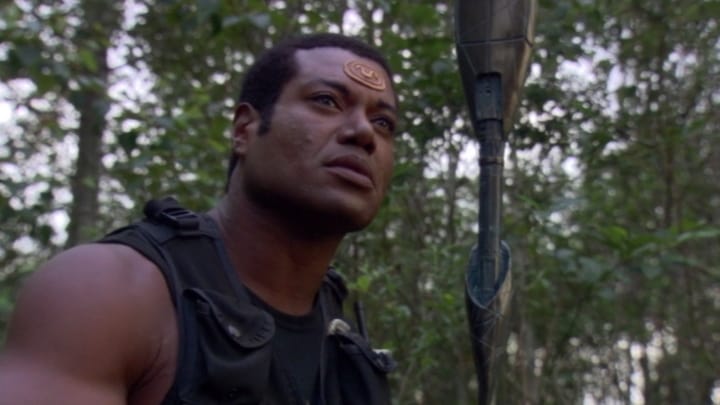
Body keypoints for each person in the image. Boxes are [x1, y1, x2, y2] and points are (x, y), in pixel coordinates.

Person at [0, 33, 399, 404]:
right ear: (244, 129)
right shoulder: (107, 291)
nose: (363, 133)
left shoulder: (341, 334)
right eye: (327, 101)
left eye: (383, 123)